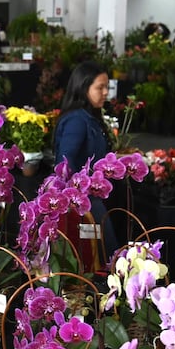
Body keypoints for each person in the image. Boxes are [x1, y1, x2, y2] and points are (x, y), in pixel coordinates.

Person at [54, 60, 123, 260]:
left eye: (106, 87)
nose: (105, 93)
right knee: (95, 252)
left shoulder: (89, 116)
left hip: (92, 199)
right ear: (84, 88)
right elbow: (64, 163)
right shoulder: (77, 120)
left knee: (96, 250)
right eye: (99, 88)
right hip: (85, 204)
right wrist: (78, 195)